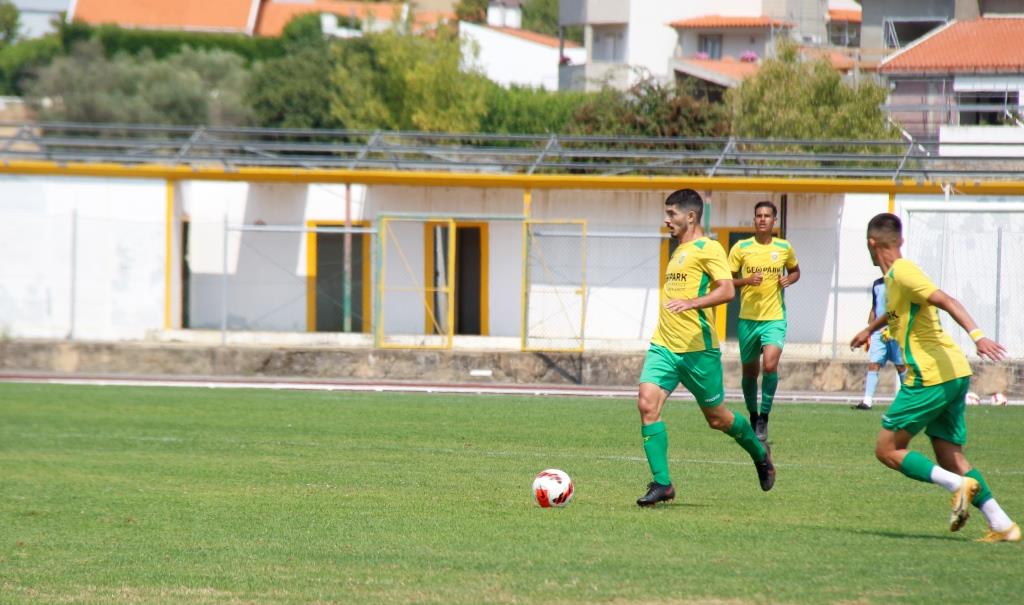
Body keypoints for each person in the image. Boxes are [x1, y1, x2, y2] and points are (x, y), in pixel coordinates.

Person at [850, 213, 1018, 542]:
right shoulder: (895, 280)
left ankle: (958, 486)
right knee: (949, 455)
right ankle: (1003, 525)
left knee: (887, 449)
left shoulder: (904, 272)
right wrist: (869, 329)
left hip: (931, 375)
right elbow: (896, 311)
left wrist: (978, 335)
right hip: (953, 374)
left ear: (872, 243)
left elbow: (946, 299)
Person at [636, 189, 774, 508]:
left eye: (671, 214)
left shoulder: (709, 248)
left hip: (699, 351)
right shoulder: (678, 250)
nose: (666, 220)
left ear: (691, 216)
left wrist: (693, 303)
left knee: (717, 418)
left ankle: (759, 453)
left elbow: (726, 291)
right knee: (646, 405)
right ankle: (663, 483)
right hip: (664, 346)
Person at [727, 201, 800, 442]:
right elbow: (727, 282)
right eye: (758, 215)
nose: (762, 219)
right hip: (748, 320)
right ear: (754, 219)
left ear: (774, 220)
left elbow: (795, 270)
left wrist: (790, 279)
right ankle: (752, 415)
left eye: (767, 215)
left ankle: (764, 418)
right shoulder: (741, 247)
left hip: (774, 318)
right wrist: (746, 280)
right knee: (750, 371)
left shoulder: (784, 247)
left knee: (769, 366)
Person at [854, 276, 907, 410]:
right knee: (874, 364)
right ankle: (867, 401)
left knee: (901, 366)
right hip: (878, 331)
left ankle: (908, 400)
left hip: (896, 330)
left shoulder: (901, 282)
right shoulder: (877, 284)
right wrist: (869, 330)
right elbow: (875, 307)